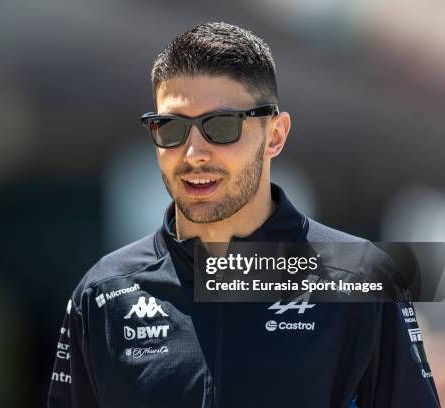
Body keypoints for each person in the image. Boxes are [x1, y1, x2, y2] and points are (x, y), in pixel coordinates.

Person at [47, 22, 441, 407]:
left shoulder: (362, 279)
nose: (194, 153)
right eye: (170, 129)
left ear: (275, 135)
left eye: (220, 126)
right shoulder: (103, 293)